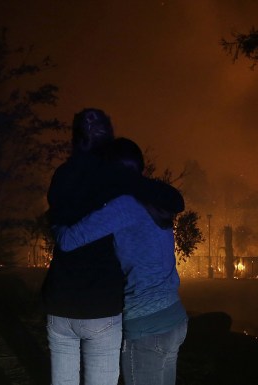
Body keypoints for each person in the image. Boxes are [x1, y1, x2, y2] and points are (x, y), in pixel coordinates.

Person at [42, 108, 183, 385]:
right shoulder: (128, 188)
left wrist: (54, 223)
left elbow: (67, 236)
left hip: (66, 302)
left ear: (76, 139)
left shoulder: (65, 177)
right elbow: (174, 201)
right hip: (129, 309)